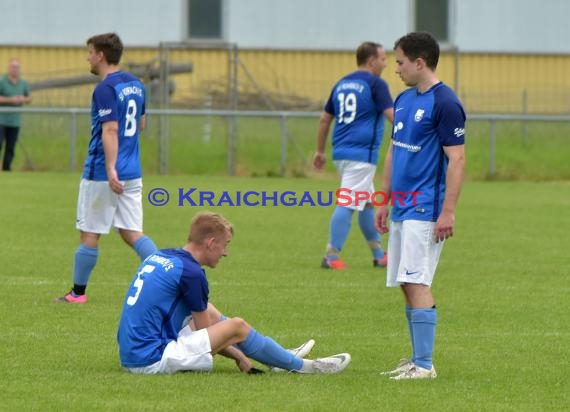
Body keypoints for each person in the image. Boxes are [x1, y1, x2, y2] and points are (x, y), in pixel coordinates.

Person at [117, 211, 352, 375]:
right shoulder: (192, 273)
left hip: (132, 353)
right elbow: (208, 336)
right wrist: (239, 356)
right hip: (151, 360)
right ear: (210, 243)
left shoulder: (165, 255)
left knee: (209, 311)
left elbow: (207, 328)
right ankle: (303, 367)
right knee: (237, 326)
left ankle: (278, 356)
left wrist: (237, 350)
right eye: (225, 244)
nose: (225, 253)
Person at [375, 32, 466, 380]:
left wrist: (448, 210)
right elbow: (393, 151)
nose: (395, 69)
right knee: (404, 280)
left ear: (419, 61)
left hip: (425, 208)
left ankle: (425, 365)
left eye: (399, 62)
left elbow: (456, 160)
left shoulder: (445, 102)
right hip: (401, 206)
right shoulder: (403, 99)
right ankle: (416, 359)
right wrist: (383, 199)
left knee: (416, 281)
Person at [55, 33, 157, 304]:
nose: (87, 57)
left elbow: (110, 128)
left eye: (89, 52)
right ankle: (166, 276)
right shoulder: (136, 84)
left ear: (100, 55)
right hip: (132, 171)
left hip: (103, 172)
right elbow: (142, 124)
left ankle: (77, 294)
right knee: (132, 231)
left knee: (90, 231)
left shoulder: (104, 89)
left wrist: (111, 168)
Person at [313, 41, 394, 270]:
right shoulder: (376, 84)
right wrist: (415, 134)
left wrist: (320, 151)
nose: (386, 63)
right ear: (371, 61)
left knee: (367, 203)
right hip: (361, 155)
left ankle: (379, 254)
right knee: (347, 204)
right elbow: (392, 115)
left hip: (341, 152)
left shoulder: (342, 83)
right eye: (383, 59)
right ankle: (331, 254)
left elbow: (324, 119)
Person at [0, 58, 32, 171]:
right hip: (2, 120)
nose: (15, 69)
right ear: (9, 68)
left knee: (11, 147)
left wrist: (23, 99)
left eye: (17, 67)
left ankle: (6, 169)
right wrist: (11, 100)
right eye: (13, 67)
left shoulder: (22, 83)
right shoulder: (2, 81)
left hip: (15, 121)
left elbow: (29, 98)